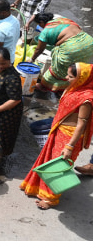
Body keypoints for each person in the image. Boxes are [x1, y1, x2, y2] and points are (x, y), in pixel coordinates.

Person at [20, 62, 92, 208]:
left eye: (70, 76)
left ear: (82, 78)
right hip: (59, 130)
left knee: (57, 167)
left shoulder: (87, 99)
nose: (66, 78)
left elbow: (81, 125)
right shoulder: (74, 89)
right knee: (48, 161)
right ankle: (38, 188)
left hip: (69, 137)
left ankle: (50, 199)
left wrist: (70, 146)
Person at [30, 13, 93, 92]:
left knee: (58, 68)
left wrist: (32, 59)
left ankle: (45, 86)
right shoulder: (62, 20)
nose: (40, 26)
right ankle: (70, 86)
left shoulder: (45, 32)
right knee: (76, 68)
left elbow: (39, 50)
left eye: (39, 24)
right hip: (89, 43)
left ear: (41, 22)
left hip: (72, 48)